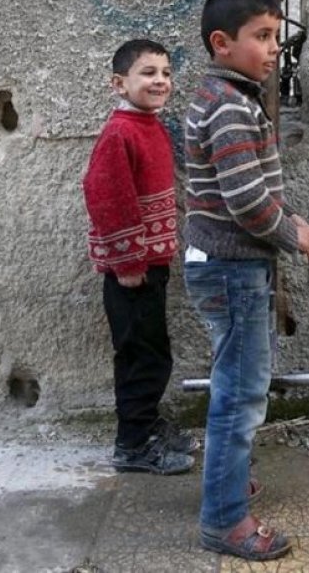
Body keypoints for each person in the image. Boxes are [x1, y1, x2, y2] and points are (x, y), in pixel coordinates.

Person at [182, 0, 309, 561]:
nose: (273, 50)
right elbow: (247, 204)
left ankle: (226, 478)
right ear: (222, 45)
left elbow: (258, 190)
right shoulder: (227, 106)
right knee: (240, 397)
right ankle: (224, 521)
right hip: (232, 269)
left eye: (275, 36)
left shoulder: (231, 97)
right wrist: (292, 235)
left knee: (234, 386)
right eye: (262, 37)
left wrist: (292, 218)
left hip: (229, 265)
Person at [82, 39, 197, 475]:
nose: (161, 81)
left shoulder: (151, 126)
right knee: (139, 357)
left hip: (151, 264)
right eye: (148, 73)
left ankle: (147, 426)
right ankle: (132, 445)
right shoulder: (120, 133)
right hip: (131, 271)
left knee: (154, 352)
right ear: (119, 83)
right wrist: (128, 263)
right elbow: (106, 198)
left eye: (166, 73)